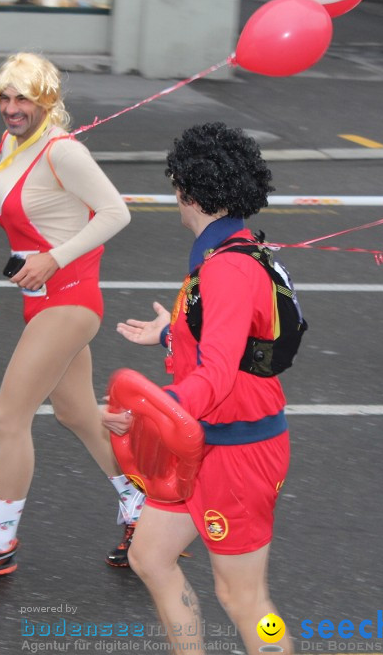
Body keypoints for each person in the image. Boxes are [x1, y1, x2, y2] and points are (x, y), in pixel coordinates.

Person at [0, 52, 143, 576]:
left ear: (45, 99)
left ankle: (0, 541)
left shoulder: (62, 152)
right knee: (75, 414)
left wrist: (54, 257)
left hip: (70, 301)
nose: (11, 107)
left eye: (22, 96)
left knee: (8, 416)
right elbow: (6, 203)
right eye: (3, 96)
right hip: (40, 301)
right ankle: (144, 508)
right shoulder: (14, 142)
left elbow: (118, 211)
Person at [106, 122, 292, 654]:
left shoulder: (226, 268)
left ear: (186, 189)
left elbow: (216, 374)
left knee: (245, 598)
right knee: (149, 557)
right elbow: (227, 343)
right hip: (204, 439)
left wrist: (149, 408)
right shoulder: (228, 251)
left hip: (238, 451)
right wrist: (171, 334)